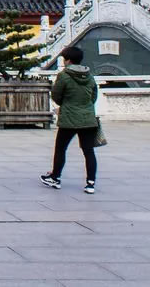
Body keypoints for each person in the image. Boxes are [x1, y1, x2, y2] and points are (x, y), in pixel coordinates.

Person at [42, 45, 99, 194]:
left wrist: (67, 104)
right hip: (88, 118)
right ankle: (90, 183)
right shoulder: (89, 75)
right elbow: (93, 96)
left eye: (64, 59)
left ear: (68, 60)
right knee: (88, 151)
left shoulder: (64, 76)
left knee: (61, 148)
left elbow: (56, 95)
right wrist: (85, 106)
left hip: (69, 118)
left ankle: (55, 177)